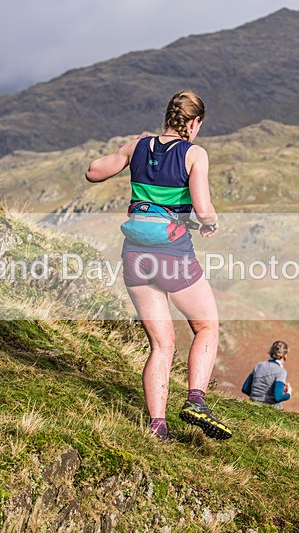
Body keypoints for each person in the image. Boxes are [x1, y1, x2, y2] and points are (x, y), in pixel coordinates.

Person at [85, 91, 232, 441]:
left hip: (135, 254)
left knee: (161, 345)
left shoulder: (137, 146)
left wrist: (130, 152)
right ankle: (196, 399)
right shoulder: (194, 153)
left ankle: (157, 427)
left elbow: (92, 173)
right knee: (207, 326)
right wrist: (210, 223)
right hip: (172, 253)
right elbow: (203, 208)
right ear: (194, 123)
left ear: (168, 116)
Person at [242, 341, 292, 410]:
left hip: (252, 405)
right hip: (269, 409)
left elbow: (245, 389)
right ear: (285, 356)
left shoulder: (259, 365)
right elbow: (278, 397)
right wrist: (288, 393)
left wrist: (257, 397)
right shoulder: (281, 371)